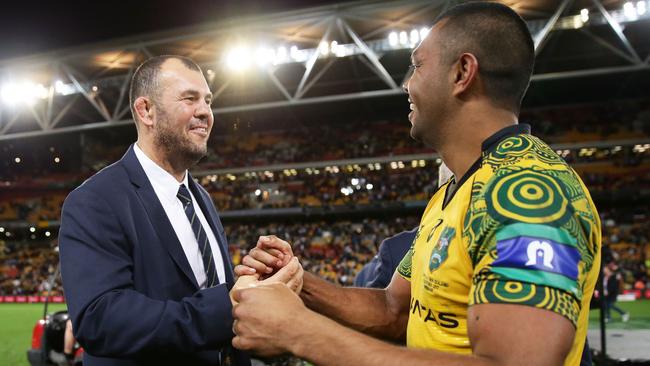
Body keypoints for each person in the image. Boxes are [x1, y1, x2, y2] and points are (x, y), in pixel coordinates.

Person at [231, 3, 601, 366]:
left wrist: (298, 330)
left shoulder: (529, 195)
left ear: (462, 73)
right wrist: (299, 280)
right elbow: (395, 310)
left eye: (418, 65)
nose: (408, 84)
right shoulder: (452, 194)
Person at [58, 55, 300, 366]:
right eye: (190, 99)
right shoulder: (94, 200)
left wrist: (253, 279)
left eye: (208, 101)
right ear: (146, 111)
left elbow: (205, 287)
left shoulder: (200, 197)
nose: (206, 112)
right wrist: (229, 303)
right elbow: (101, 320)